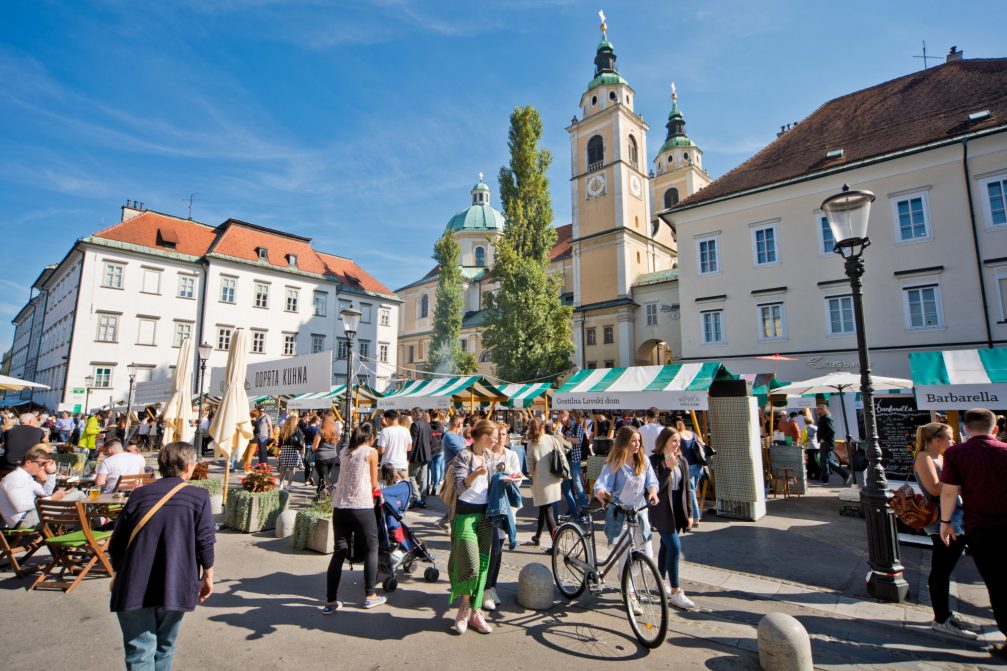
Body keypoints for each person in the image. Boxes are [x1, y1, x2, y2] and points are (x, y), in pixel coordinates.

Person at [108, 441, 215, 671]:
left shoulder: (139, 494)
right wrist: (208, 576)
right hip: (175, 581)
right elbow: (205, 540)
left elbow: (116, 542)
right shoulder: (198, 497)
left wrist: (118, 571)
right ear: (188, 466)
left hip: (133, 582)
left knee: (139, 652)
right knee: (165, 646)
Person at [940, 408, 1007, 658]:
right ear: (996, 429)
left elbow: (948, 492)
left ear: (966, 429)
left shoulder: (956, 453)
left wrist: (945, 522)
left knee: (997, 584)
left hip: (981, 528)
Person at [912, 422, 978, 639]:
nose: (953, 441)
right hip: (941, 519)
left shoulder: (941, 457)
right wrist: (962, 480)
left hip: (956, 516)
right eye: (949, 438)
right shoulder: (924, 457)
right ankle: (941, 618)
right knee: (941, 569)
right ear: (936, 439)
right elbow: (933, 488)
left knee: (945, 568)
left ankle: (946, 614)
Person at [593, 426, 660, 615]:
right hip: (620, 513)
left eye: (639, 441)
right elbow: (602, 482)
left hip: (639, 513)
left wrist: (653, 493)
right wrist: (601, 492)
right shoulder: (615, 463)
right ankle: (629, 592)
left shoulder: (644, 461)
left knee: (647, 554)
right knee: (626, 554)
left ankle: (626, 578)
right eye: (633, 441)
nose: (637, 444)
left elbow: (652, 482)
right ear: (624, 442)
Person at [323, 423, 385, 613]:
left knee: (340, 551)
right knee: (371, 548)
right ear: (371, 438)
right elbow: (374, 483)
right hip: (361, 505)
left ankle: (331, 601)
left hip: (340, 507)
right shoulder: (370, 452)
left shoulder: (344, 451)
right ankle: (370, 595)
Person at [447, 419, 497, 634]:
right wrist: (476, 473)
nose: (496, 439)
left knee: (484, 565)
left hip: (486, 516)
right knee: (472, 565)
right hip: (465, 515)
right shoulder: (464, 456)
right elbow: (458, 487)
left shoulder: (490, 456)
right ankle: (464, 607)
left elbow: (492, 485)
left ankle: (475, 611)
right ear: (484, 436)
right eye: (494, 435)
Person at [649, 427, 697, 610]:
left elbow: (687, 488)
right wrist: (668, 470)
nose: (677, 445)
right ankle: (676, 591)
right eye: (673, 441)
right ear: (664, 442)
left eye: (678, 441)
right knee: (675, 548)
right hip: (662, 510)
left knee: (665, 546)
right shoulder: (654, 461)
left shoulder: (682, 461)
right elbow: (655, 488)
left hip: (678, 509)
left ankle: (660, 583)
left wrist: (690, 513)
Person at [482, 422, 522, 611]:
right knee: (491, 549)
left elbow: (518, 479)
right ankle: (486, 589)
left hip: (504, 507)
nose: (501, 438)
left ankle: (492, 587)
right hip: (487, 506)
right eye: (498, 434)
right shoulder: (486, 454)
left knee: (498, 550)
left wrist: (509, 480)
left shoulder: (512, 455)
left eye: (504, 434)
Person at [0, 444, 80, 528]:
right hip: (24, 520)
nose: (42, 468)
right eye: (41, 464)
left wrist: (51, 473)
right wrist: (51, 499)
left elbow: (46, 493)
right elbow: (20, 506)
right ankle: (87, 533)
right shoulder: (15, 478)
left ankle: (80, 532)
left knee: (74, 499)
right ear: (28, 463)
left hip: (30, 516)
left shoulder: (26, 477)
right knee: (78, 495)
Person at [526, 417, 564, 549]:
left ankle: (556, 545)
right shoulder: (551, 438)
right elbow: (561, 455)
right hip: (554, 477)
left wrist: (532, 474)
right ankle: (537, 536)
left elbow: (530, 465)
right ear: (543, 426)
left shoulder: (531, 443)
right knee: (544, 509)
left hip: (541, 481)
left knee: (547, 511)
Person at [675, 417, 706, 527]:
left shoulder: (678, 436)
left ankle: (696, 517)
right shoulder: (692, 433)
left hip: (688, 466)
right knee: (693, 490)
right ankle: (694, 513)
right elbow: (702, 444)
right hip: (699, 465)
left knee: (691, 491)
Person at [560, 410, 587, 516]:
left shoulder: (577, 426)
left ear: (568, 417)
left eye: (562, 419)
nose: (561, 422)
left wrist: (565, 438)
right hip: (566, 460)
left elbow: (579, 440)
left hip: (575, 459)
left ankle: (584, 511)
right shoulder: (564, 428)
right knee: (568, 485)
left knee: (578, 484)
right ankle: (572, 509)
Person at [377, 410, 411, 482]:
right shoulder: (406, 430)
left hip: (388, 466)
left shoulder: (385, 431)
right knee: (402, 490)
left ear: (387, 419)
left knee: (387, 490)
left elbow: (381, 451)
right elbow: (409, 448)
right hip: (402, 465)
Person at [311, 415, 342, 496]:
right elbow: (337, 442)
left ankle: (332, 490)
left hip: (321, 457)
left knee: (324, 478)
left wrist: (312, 448)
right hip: (333, 456)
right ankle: (318, 496)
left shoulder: (321, 431)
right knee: (324, 477)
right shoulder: (336, 432)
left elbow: (314, 447)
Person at [408, 408, 432, 508]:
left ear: (414, 414)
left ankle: (417, 498)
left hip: (417, 454)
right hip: (426, 454)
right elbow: (430, 439)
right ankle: (423, 496)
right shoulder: (427, 424)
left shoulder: (415, 424)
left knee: (411, 476)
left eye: (412, 414)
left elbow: (413, 441)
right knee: (422, 477)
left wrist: (409, 456)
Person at [276, 414, 305, 490]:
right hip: (295, 450)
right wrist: (303, 449)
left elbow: (279, 443)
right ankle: (289, 485)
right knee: (292, 469)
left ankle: (281, 485)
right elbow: (302, 441)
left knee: (283, 468)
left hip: (285, 449)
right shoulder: (297, 430)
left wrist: (277, 451)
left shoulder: (283, 429)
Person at [426, 410, 445, 496]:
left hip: (430, 450)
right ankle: (435, 487)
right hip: (440, 450)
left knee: (428, 469)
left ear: (430, 415)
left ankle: (427, 486)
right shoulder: (442, 426)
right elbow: (443, 437)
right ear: (438, 416)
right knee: (437, 468)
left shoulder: (428, 426)